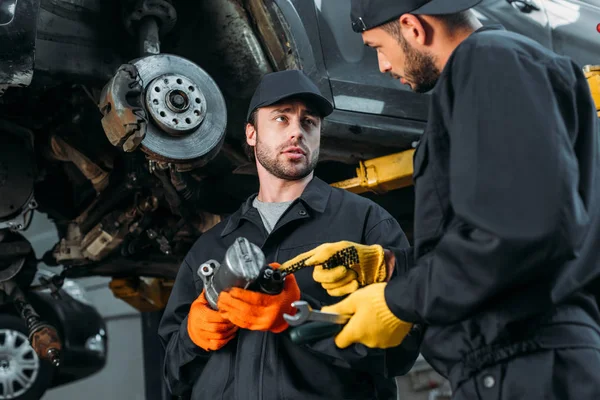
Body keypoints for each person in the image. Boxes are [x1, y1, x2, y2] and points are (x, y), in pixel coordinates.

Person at [288, 0, 600, 398]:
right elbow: (500, 235)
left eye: (378, 47)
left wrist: (398, 302)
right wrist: (389, 268)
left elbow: (519, 229)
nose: (382, 65)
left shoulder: (491, 61)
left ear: (412, 28)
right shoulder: (496, 69)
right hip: (521, 364)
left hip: (529, 367)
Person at [157, 69, 421, 400]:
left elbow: (402, 351)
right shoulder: (209, 248)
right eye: (281, 119)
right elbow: (172, 379)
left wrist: (299, 317)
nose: (297, 131)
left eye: (309, 122)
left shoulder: (366, 224)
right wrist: (191, 337)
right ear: (251, 134)